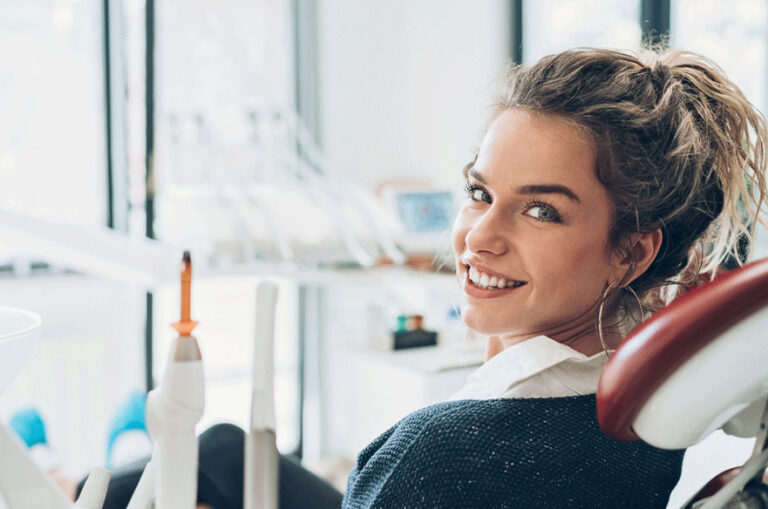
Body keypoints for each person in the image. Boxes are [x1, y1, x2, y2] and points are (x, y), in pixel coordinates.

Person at [69, 46, 766, 508]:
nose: (478, 236)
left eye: (542, 210)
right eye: (480, 192)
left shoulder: (435, 455)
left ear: (631, 252)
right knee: (222, 448)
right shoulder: (651, 400)